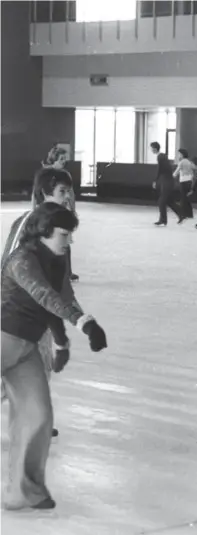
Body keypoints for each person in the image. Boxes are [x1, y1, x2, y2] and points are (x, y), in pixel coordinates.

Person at [1, 202, 107, 511]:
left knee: (39, 416)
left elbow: (62, 298)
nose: (69, 241)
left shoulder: (57, 260)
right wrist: (84, 323)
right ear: (44, 232)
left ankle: (23, 492)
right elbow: (44, 296)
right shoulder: (22, 260)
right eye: (64, 234)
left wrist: (63, 343)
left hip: (25, 349)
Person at [2, 168, 79, 438]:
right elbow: (11, 264)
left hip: (42, 310)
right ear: (45, 192)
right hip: (18, 310)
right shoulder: (29, 222)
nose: (67, 196)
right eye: (62, 191)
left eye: (69, 191)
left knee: (41, 364)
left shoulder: (58, 224)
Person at [36, 146, 79, 282]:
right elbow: (35, 194)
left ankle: (67, 272)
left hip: (63, 211)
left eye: (65, 159)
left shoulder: (66, 175)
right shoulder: (45, 175)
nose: (64, 162)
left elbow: (71, 195)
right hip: (48, 212)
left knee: (65, 241)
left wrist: (72, 209)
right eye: (61, 159)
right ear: (54, 160)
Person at [150, 141, 181, 226]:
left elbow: (160, 170)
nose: (151, 150)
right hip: (167, 181)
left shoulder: (160, 156)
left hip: (167, 181)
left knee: (161, 201)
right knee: (169, 201)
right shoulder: (162, 156)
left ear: (155, 148)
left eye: (151, 148)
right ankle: (181, 214)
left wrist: (155, 180)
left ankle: (163, 220)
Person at [173, 148, 195, 221]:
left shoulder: (181, 162)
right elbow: (193, 170)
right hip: (189, 181)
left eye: (179, 154)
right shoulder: (189, 162)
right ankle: (189, 214)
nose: (178, 155)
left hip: (183, 181)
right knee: (186, 198)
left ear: (182, 154)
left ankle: (183, 214)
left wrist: (171, 176)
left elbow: (176, 172)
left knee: (183, 198)